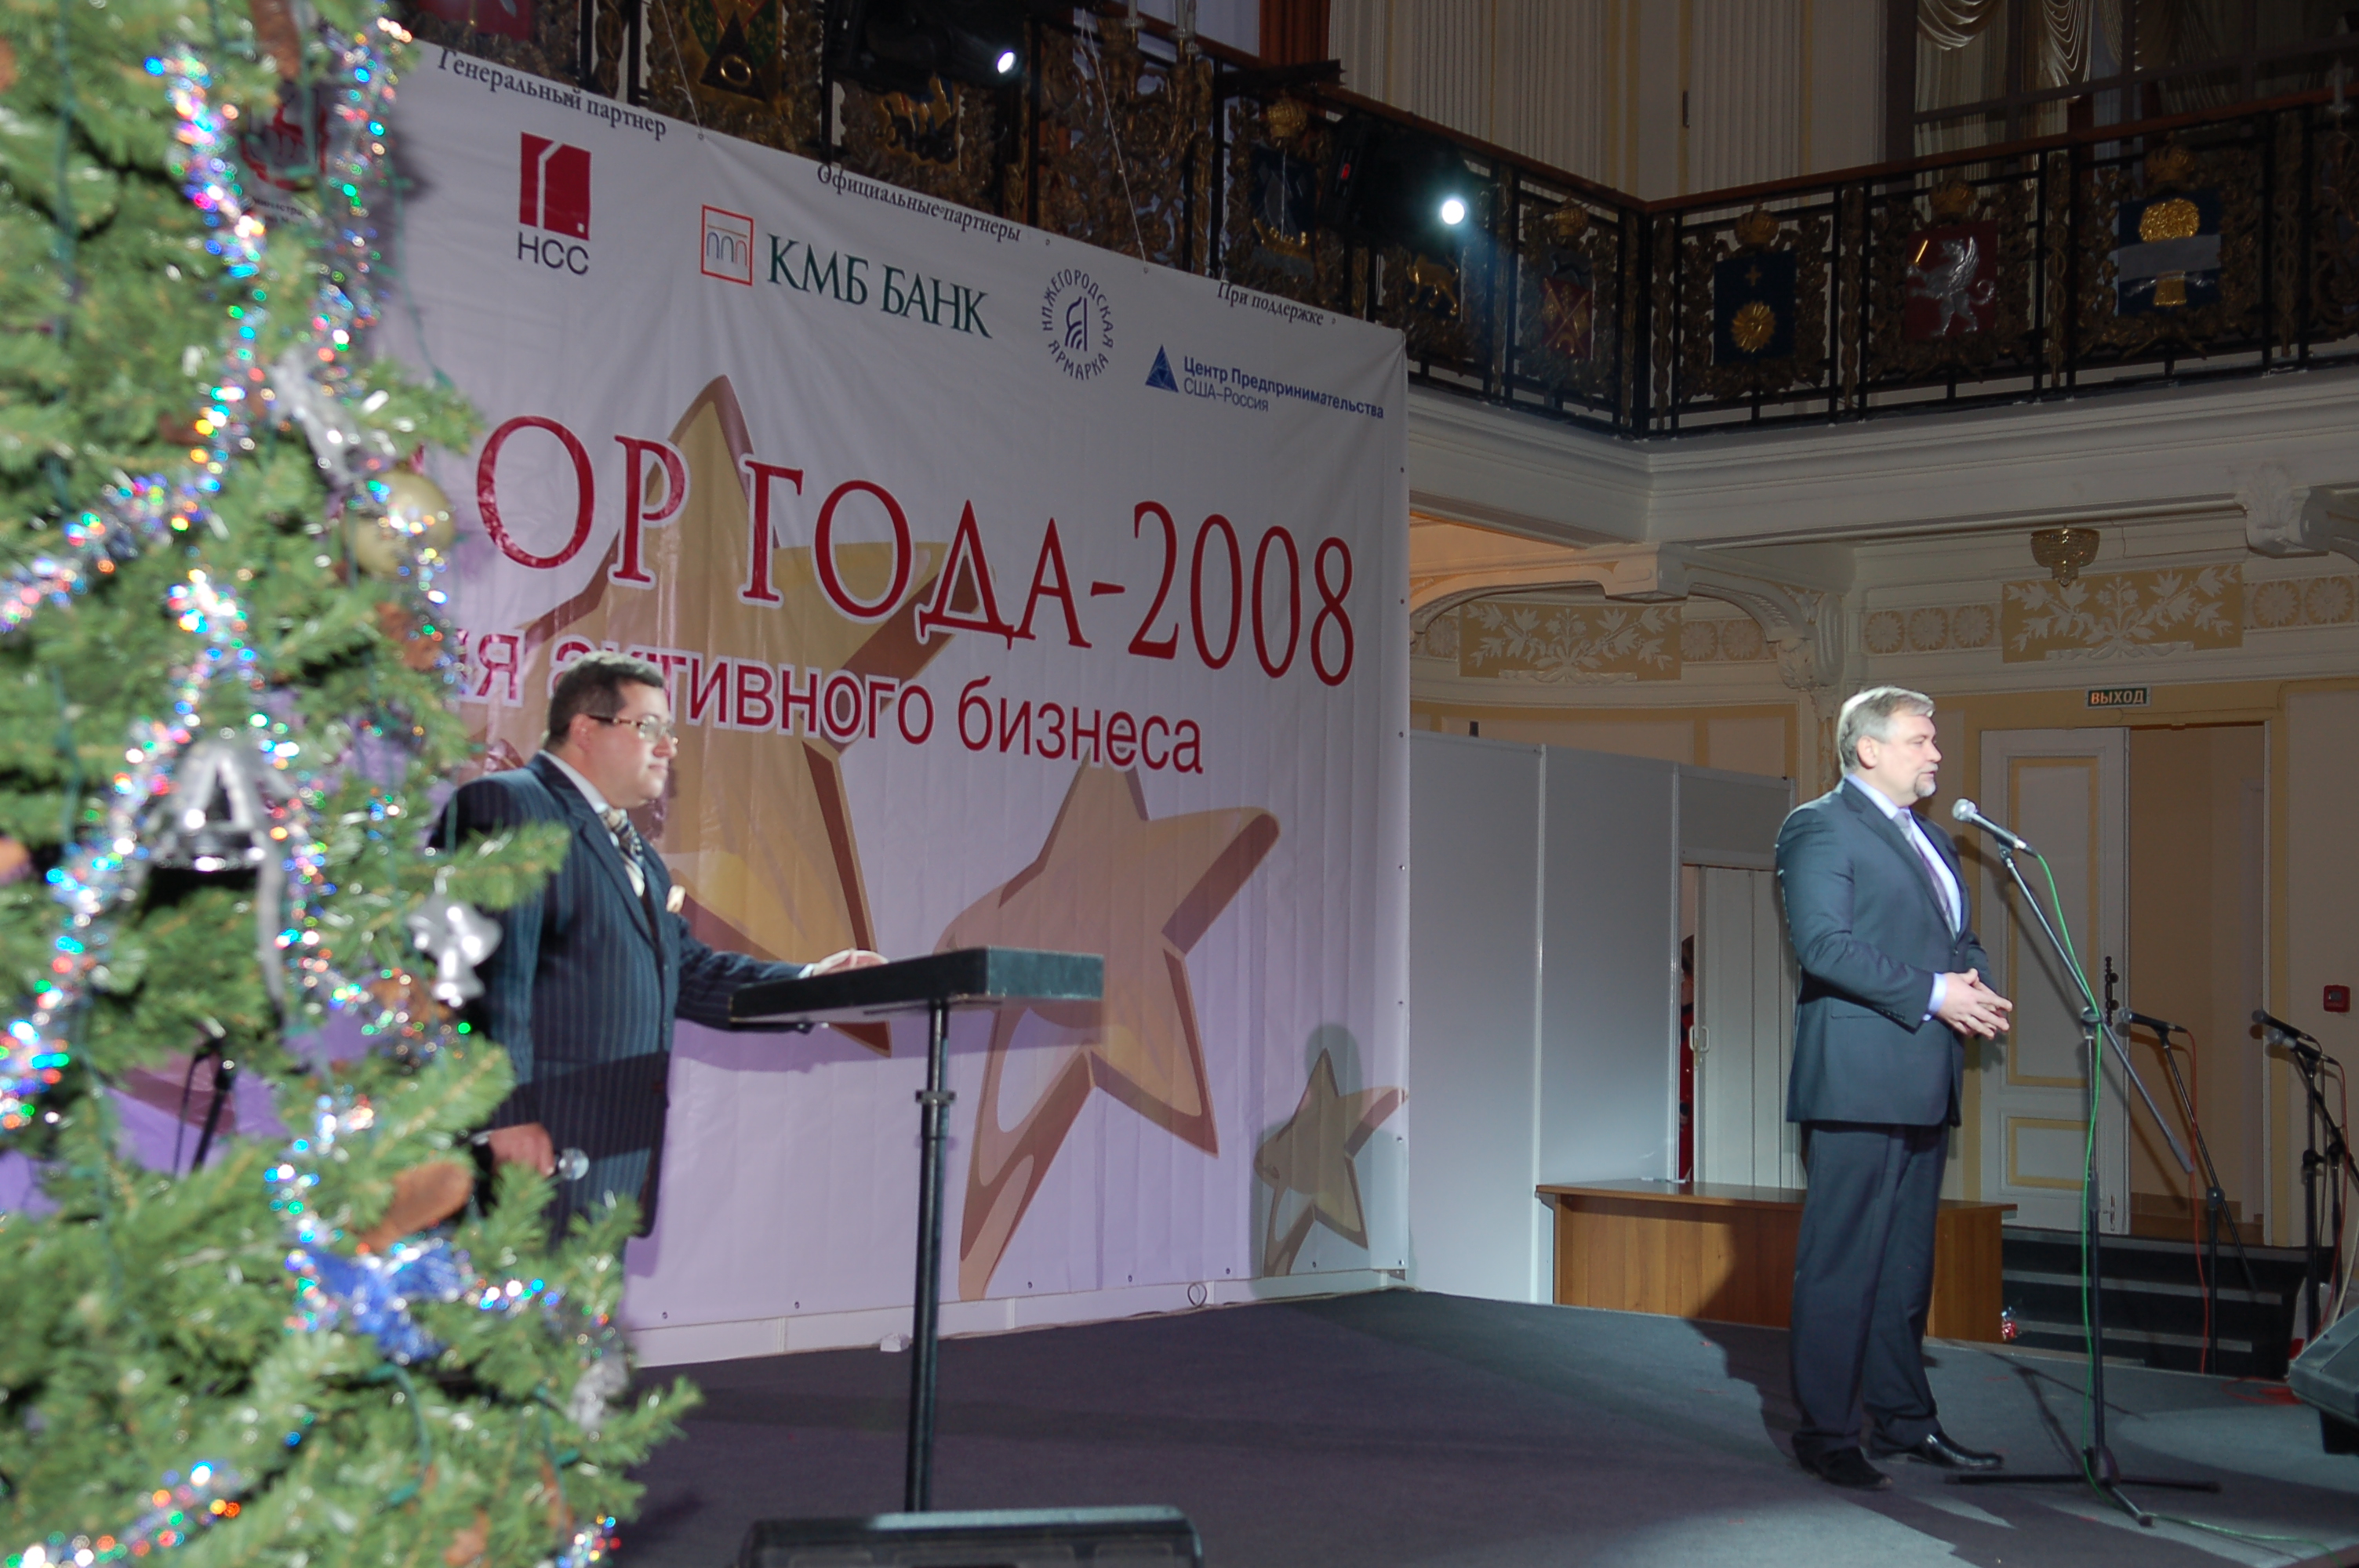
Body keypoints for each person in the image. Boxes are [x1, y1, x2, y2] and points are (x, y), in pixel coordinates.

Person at [448, 651, 881, 1233]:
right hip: (524, 1152)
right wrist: (505, 1114)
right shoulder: (510, 806)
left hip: (608, 1158)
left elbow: (687, 972)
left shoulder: (637, 855)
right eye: (649, 727)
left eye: (670, 732)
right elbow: (479, 976)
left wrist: (812, 985)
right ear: (585, 729)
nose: (669, 748)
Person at [1775, 685, 2013, 1490]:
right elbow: (1822, 945)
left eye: (1933, 739)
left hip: (1924, 1076)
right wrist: (1935, 993)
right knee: (1843, 1266)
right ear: (1868, 749)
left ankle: (1905, 1421)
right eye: (1920, 739)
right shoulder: (1818, 825)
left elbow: (1955, 937)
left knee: (1905, 1272)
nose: (1935, 753)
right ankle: (1827, 1433)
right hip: (1856, 1080)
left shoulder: (1935, 838)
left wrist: (1971, 981)